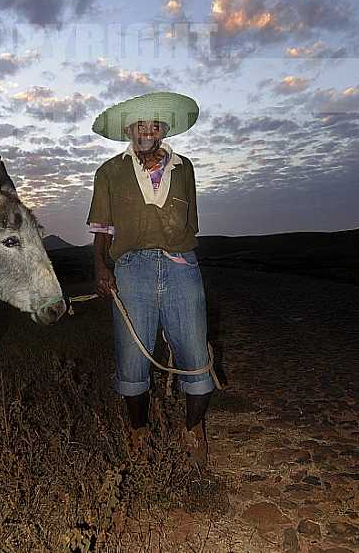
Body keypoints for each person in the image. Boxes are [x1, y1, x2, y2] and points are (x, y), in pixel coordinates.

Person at [86, 91, 214, 463]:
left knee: (195, 353)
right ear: (129, 129)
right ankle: (138, 432)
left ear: (162, 129)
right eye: (140, 124)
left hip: (181, 266)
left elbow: (192, 222)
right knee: (132, 361)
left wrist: (175, 248)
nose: (147, 129)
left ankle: (192, 431)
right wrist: (101, 267)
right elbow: (102, 230)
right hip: (131, 270)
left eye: (154, 123)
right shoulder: (109, 172)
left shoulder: (183, 167)